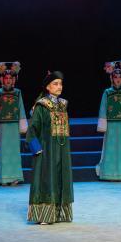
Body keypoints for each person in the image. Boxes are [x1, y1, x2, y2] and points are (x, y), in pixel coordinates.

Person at [26, 71, 74, 224]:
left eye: (61, 84)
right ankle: (45, 215)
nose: (59, 87)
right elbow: (32, 130)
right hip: (47, 151)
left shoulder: (63, 105)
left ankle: (59, 214)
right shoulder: (42, 106)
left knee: (61, 178)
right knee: (47, 180)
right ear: (48, 87)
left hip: (61, 149)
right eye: (55, 84)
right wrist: (37, 148)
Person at [96, 59, 121, 181]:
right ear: (112, 78)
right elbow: (103, 108)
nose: (118, 79)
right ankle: (109, 174)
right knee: (110, 150)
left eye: (120, 77)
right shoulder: (107, 92)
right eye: (115, 77)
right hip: (111, 125)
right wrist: (103, 124)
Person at [0, 62, 27, 185]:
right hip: (3, 126)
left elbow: (21, 108)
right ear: (2, 80)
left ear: (13, 80)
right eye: (6, 78)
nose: (8, 80)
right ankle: (3, 178)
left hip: (14, 126)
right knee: (3, 152)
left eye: (10, 78)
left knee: (14, 152)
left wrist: (23, 126)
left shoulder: (18, 92)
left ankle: (15, 177)